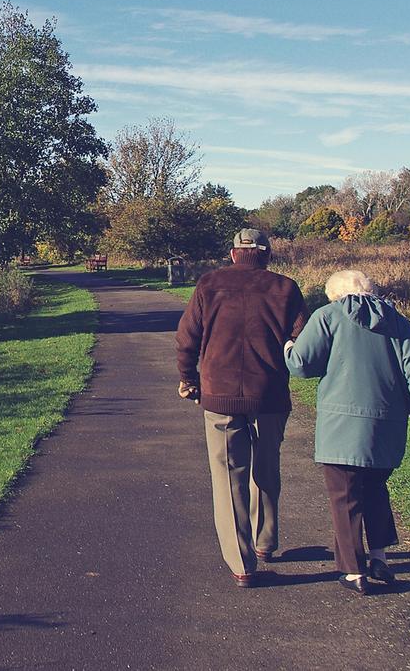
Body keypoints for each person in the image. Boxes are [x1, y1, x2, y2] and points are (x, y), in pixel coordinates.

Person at [284, 270, 410, 595]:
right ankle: (379, 556)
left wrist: (287, 346)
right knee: (375, 488)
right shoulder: (400, 323)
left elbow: (301, 364)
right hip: (387, 426)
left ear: (335, 295)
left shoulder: (328, 317)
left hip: (341, 427)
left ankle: (354, 571)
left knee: (345, 496)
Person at [175, 229, 309, 587]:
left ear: (234, 254)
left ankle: (242, 563)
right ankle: (265, 542)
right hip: (270, 395)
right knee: (266, 469)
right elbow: (302, 339)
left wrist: (189, 379)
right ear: (266, 255)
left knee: (228, 478)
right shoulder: (285, 288)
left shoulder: (209, 284)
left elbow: (186, 337)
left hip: (219, 394)